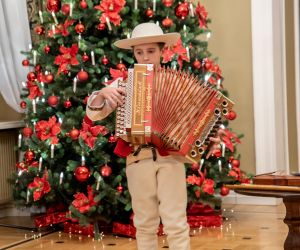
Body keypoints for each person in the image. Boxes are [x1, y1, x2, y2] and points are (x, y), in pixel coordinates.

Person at [86, 23, 222, 250]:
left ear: (162, 51)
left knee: (175, 221)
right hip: (137, 158)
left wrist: (209, 135)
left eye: (151, 51)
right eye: (139, 52)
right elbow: (95, 113)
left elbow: (197, 119)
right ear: (134, 54)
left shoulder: (178, 83)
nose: (145, 57)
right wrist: (101, 93)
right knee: (144, 221)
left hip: (171, 159)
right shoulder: (123, 83)